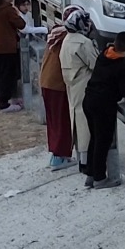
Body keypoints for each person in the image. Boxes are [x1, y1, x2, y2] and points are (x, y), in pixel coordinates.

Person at [82, 31, 125, 188]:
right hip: (103, 106)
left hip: (89, 100)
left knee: (94, 138)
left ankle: (90, 174)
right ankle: (99, 178)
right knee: (103, 141)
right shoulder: (121, 66)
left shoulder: (103, 55)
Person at [58, 7, 99, 175]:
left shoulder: (67, 40)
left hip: (72, 86)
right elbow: (95, 64)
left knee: (77, 123)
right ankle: (87, 165)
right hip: (84, 87)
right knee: (86, 128)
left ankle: (83, 161)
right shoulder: (83, 43)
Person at [38, 16, 77, 170]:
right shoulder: (66, 40)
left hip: (47, 83)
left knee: (54, 121)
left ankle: (57, 153)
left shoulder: (55, 35)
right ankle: (59, 156)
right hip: (58, 86)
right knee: (62, 121)